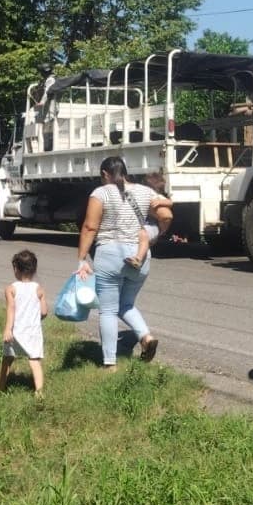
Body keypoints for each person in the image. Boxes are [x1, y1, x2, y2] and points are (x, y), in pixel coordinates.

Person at [76, 156, 170, 370]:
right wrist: (155, 235)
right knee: (126, 304)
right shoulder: (146, 192)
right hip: (140, 256)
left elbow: (90, 227)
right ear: (126, 172)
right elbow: (165, 216)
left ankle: (110, 363)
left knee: (108, 310)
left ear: (105, 175)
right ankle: (145, 337)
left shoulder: (101, 193)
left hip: (109, 255)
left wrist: (82, 258)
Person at [0, 249, 47, 396]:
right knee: (34, 361)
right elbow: (44, 312)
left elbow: (11, 310)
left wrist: (8, 329)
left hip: (16, 332)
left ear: (16, 269)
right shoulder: (39, 289)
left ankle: (0, 389)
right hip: (33, 332)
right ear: (34, 269)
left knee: (7, 361)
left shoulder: (11, 289)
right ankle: (39, 393)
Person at [126, 171, 170, 269]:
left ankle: (138, 259)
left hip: (152, 225)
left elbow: (170, 203)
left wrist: (160, 202)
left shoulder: (158, 197)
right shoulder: (146, 195)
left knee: (143, 235)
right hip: (145, 223)